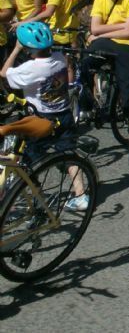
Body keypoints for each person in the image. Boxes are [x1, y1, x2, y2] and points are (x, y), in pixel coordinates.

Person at [0, 23, 88, 210]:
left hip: (40, 120)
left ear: (27, 47)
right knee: (69, 153)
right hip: (64, 114)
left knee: (29, 161)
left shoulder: (31, 68)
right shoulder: (59, 58)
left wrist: (15, 49)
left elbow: (3, 72)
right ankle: (81, 195)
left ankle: (37, 197)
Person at [80, 0, 129, 135]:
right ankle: (88, 104)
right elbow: (94, 28)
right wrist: (120, 25)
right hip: (106, 41)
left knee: (127, 83)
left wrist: (103, 32)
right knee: (85, 63)